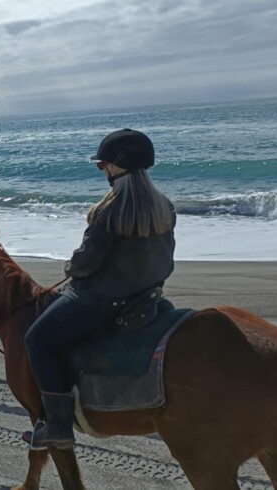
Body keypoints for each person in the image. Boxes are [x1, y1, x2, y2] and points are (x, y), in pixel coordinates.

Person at [23, 129, 176, 450]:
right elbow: (167, 262)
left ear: (118, 165)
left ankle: (58, 427)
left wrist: (70, 268)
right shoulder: (164, 207)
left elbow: (84, 264)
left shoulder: (108, 211)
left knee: (36, 339)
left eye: (102, 164)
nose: (102, 170)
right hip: (149, 296)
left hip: (105, 299)